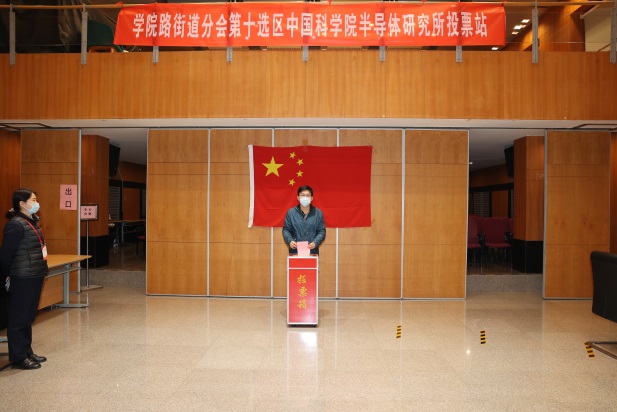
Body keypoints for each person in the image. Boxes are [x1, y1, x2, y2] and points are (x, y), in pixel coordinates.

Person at [0, 188, 49, 370]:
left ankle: (27, 350)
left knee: (28, 316)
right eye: (33, 200)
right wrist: (7, 276)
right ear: (22, 204)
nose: (36, 203)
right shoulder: (15, 224)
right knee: (19, 317)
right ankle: (18, 357)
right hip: (22, 277)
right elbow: (5, 255)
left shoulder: (32, 221)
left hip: (35, 274)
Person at [282, 186, 326, 255]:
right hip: (295, 251)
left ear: (311, 198)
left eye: (308, 195)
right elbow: (286, 230)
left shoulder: (318, 213)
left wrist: (315, 242)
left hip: (312, 252)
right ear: (298, 197)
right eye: (302, 195)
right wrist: (290, 241)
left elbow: (321, 231)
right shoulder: (291, 213)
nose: (305, 197)